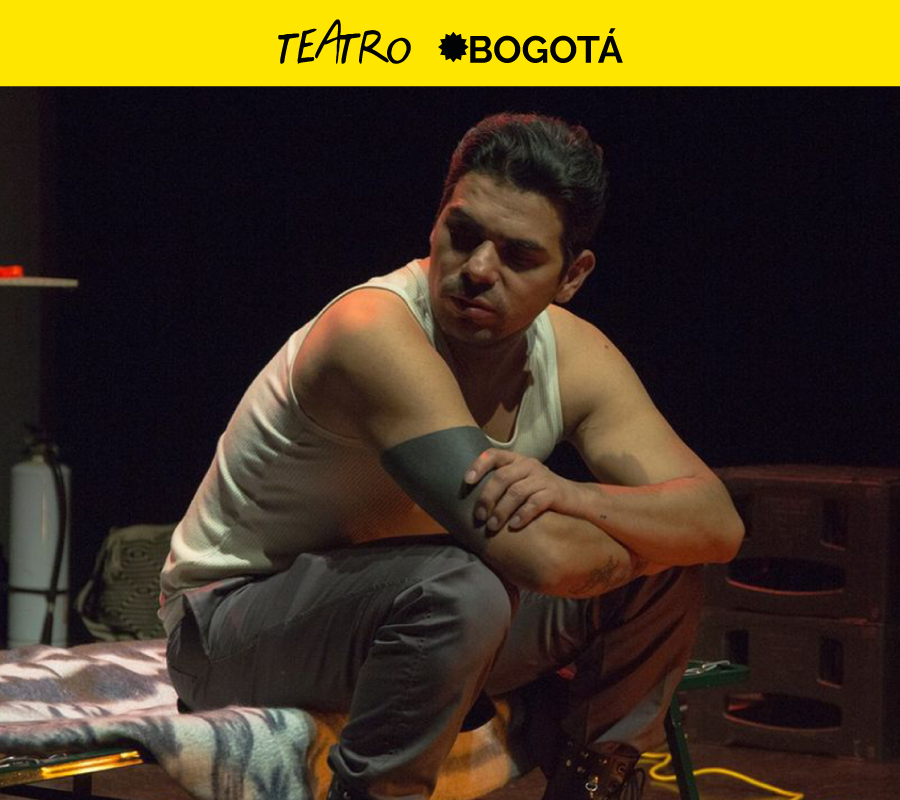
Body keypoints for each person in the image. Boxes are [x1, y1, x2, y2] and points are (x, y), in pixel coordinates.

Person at [159, 112, 744, 800]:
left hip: (414, 615)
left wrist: (580, 496)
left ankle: (592, 785)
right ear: (435, 224)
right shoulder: (371, 332)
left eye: (519, 256)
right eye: (463, 236)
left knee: (662, 571)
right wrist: (643, 532)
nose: (478, 271)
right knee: (464, 587)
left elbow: (718, 524)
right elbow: (544, 560)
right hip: (229, 630)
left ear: (571, 275)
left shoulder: (575, 354)